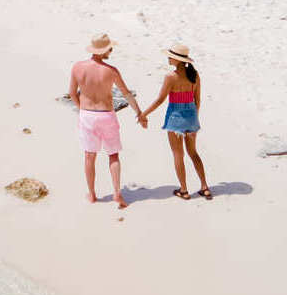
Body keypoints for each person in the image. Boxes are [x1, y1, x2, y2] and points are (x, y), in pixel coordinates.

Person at [68, 34, 146, 209]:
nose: (111, 51)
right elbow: (126, 93)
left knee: (89, 156)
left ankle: (93, 194)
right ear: (104, 50)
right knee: (113, 155)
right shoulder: (111, 71)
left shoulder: (78, 67)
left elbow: (72, 92)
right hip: (106, 115)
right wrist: (139, 112)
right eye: (110, 48)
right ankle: (117, 193)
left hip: (87, 115)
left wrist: (82, 109)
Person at [137, 44, 211, 200]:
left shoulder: (171, 77)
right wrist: (194, 119)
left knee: (178, 155)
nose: (168, 58)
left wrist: (143, 113)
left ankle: (184, 190)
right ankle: (204, 187)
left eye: (170, 56)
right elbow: (197, 100)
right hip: (191, 118)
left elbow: (160, 100)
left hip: (175, 119)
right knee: (193, 153)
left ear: (177, 59)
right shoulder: (195, 75)